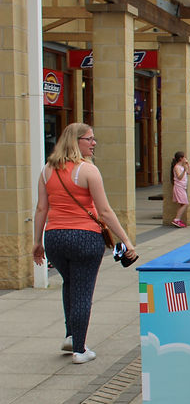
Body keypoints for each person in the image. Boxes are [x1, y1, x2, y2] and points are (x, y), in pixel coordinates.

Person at [31, 123, 137, 364]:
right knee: (82, 291)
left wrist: (37, 242)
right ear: (76, 141)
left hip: (55, 237)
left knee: (70, 284)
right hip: (85, 237)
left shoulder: (47, 170)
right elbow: (105, 211)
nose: (94, 143)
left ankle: (71, 335)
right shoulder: (88, 170)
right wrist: (126, 240)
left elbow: (41, 209)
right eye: (89, 139)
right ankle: (80, 349)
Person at [170, 151, 190, 227]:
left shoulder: (182, 166)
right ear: (180, 158)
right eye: (184, 157)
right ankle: (176, 219)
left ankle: (178, 219)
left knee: (182, 204)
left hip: (183, 187)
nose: (185, 158)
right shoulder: (177, 167)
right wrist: (184, 170)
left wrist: (187, 165)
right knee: (185, 203)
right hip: (179, 187)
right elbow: (179, 177)